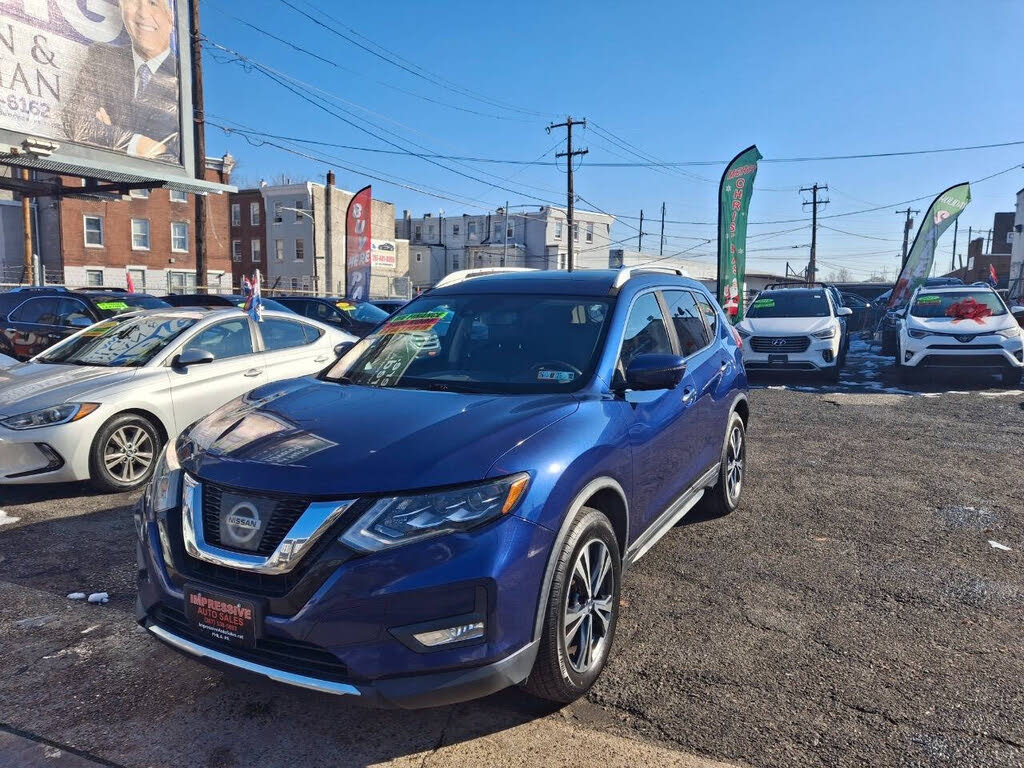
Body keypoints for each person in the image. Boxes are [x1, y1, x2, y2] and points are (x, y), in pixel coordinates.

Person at [63, 0, 180, 162]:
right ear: (122, 8)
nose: (143, 14)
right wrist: (137, 144)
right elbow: (77, 123)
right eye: (133, 2)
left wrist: (108, 131)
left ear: (170, 16)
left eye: (153, 3)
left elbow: (173, 155)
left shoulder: (185, 81)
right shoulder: (101, 58)